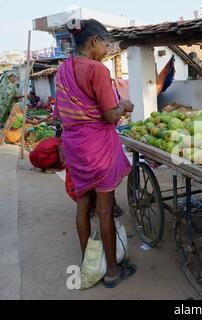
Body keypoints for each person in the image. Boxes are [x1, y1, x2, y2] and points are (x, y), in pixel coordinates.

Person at [55, 18, 136, 288]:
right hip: (97, 147)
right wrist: (124, 105)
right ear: (93, 41)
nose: (107, 49)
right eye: (106, 44)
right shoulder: (97, 70)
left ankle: (88, 263)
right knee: (104, 209)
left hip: (75, 145)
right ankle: (112, 271)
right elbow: (109, 113)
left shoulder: (63, 69)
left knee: (82, 204)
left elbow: (60, 113)